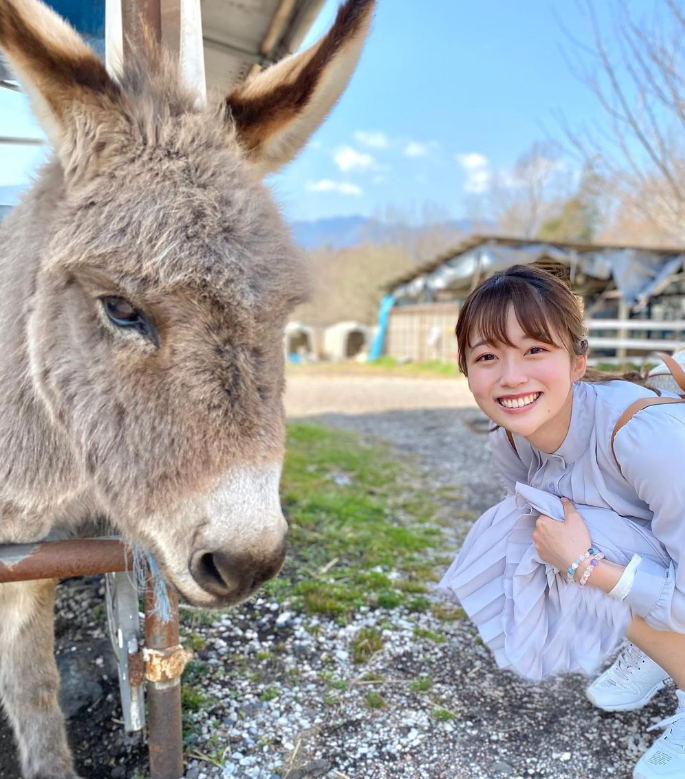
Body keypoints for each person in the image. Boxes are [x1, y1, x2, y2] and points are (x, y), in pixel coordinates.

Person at [438, 265, 685, 779]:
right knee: (532, 526)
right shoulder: (508, 440)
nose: (511, 377)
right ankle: (660, 652)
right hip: (662, 565)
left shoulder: (645, 438)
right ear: (465, 371)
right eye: (488, 356)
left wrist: (586, 567)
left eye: (535, 350)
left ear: (577, 363)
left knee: (568, 540)